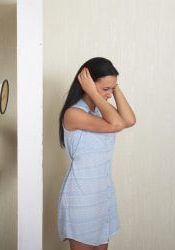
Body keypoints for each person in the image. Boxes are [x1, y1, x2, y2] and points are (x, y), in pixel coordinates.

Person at [57, 57, 136, 250]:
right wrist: (92, 90)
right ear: (87, 83)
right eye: (106, 89)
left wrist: (112, 86)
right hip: (81, 196)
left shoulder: (103, 112)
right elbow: (117, 124)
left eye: (113, 89)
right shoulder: (73, 114)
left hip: (103, 194)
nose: (109, 94)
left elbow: (129, 120)